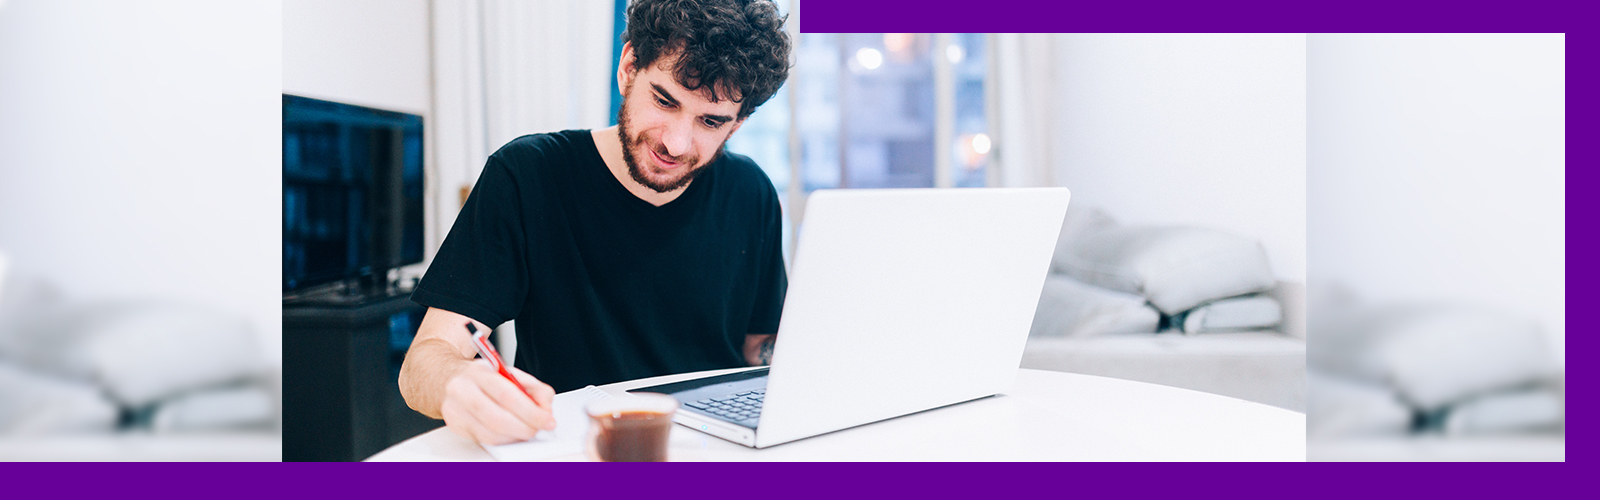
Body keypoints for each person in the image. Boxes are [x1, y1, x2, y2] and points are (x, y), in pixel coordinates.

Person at [397, 0, 792, 446]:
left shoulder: (750, 191)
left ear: (736, 126)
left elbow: (761, 349)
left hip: (720, 447)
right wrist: (458, 382)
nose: (676, 143)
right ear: (628, 68)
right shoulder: (528, 175)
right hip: (573, 445)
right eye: (664, 100)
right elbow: (422, 364)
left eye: (710, 121)